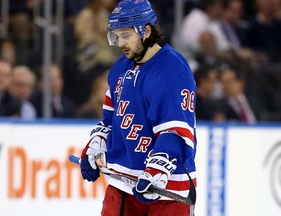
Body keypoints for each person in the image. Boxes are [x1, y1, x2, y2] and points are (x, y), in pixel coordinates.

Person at [79, 0, 197, 215]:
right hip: (122, 184)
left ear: (146, 31)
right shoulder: (119, 69)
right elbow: (110, 121)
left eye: (126, 35)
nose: (120, 43)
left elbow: (176, 131)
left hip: (166, 190)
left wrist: (155, 171)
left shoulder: (172, 69)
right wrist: (95, 146)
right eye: (116, 36)